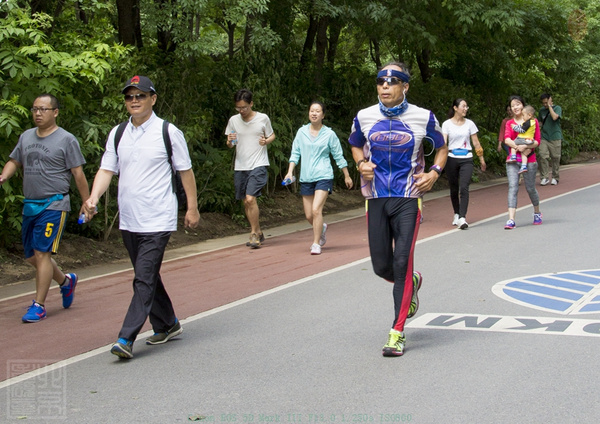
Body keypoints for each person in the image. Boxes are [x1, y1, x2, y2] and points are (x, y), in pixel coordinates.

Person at [83, 76, 200, 359]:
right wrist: (93, 198)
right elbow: (107, 169)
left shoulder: (168, 132)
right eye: (129, 97)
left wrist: (192, 208)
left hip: (158, 216)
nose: (134, 101)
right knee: (145, 275)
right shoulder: (118, 133)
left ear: (153, 99)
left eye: (140, 96)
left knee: (143, 277)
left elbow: (185, 171)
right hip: (130, 219)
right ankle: (168, 323)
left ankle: (126, 337)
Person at [348, 62, 447, 357]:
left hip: (408, 197)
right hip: (376, 198)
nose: (385, 87)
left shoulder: (423, 117)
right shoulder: (364, 116)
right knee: (382, 267)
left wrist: (434, 173)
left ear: (406, 86)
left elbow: (441, 147)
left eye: (393, 81)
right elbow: (355, 144)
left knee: (402, 262)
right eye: (380, 82)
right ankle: (413, 282)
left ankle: (397, 332)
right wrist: (360, 164)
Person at [0, 94, 89, 323]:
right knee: (31, 256)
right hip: (31, 204)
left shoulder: (66, 139)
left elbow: (78, 173)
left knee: (42, 253)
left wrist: (87, 203)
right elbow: (14, 160)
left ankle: (38, 305)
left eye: (43, 109)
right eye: (34, 109)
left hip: (54, 203)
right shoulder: (26, 136)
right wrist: (4, 175)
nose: (38, 113)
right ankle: (66, 282)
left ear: (55, 112)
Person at [283, 101, 353, 255]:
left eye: (317, 111)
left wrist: (347, 175)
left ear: (323, 115)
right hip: (306, 177)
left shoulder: (329, 134)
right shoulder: (301, 132)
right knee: (309, 215)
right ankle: (322, 228)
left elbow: (338, 156)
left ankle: (316, 243)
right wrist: (290, 172)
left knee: (316, 210)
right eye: (311, 111)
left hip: (324, 175)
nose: (314, 113)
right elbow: (295, 153)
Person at [225, 89, 276, 249]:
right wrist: (230, 141)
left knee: (250, 199)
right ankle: (259, 230)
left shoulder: (263, 118)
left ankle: (253, 233)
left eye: (244, 107)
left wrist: (265, 142)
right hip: (241, 165)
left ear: (251, 104)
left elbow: (272, 135)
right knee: (245, 203)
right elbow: (230, 144)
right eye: (238, 108)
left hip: (258, 163)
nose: (241, 111)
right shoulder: (233, 120)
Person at [441, 98, 486, 230]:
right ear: (455, 108)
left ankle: (462, 217)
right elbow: (443, 144)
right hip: (451, 157)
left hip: (467, 157)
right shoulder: (446, 124)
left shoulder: (470, 124)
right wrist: (441, 162)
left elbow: (476, 142)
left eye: (467, 106)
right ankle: (456, 213)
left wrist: (481, 159)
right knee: (454, 188)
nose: (466, 109)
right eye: (463, 106)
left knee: (464, 187)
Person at [503, 95, 542, 229]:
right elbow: (506, 139)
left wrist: (525, 147)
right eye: (513, 105)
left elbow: (537, 141)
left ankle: (537, 212)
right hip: (513, 160)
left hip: (529, 159)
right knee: (513, 187)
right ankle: (511, 219)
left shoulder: (533, 122)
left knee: (530, 188)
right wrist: (516, 147)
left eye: (518, 104)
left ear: (523, 106)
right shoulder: (509, 123)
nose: (515, 107)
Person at [538, 93, 563, 186]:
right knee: (542, 155)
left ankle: (555, 177)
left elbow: (554, 117)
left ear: (550, 100)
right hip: (544, 136)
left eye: (546, 102)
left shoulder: (557, 108)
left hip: (555, 137)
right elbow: (540, 122)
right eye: (543, 103)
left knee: (555, 157)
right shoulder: (541, 111)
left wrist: (549, 106)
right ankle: (544, 177)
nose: (544, 105)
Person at [508, 105, 537, 174]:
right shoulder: (533, 122)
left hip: (523, 139)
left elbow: (522, 130)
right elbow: (522, 126)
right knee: (524, 153)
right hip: (530, 140)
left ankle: (513, 157)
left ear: (529, 115)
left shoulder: (528, 122)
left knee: (513, 144)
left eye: (523, 115)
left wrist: (514, 128)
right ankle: (524, 166)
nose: (523, 117)